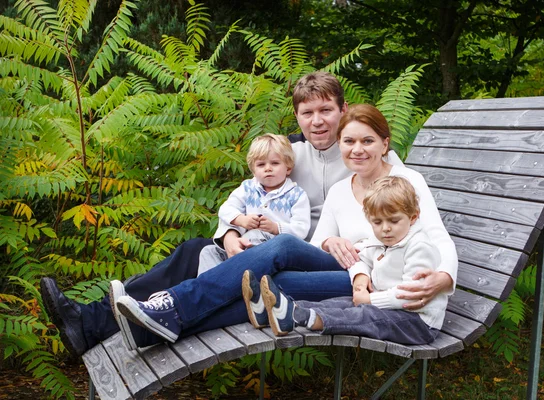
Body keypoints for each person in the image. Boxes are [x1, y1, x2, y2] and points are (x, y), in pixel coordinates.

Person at [40, 72, 454, 356]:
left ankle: (163, 312)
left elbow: (434, 237)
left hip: (351, 267)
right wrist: (229, 234)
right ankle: (93, 321)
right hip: (294, 250)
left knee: (268, 271)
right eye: (307, 114)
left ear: (344, 112)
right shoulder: (295, 154)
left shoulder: (387, 170)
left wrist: (443, 276)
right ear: (296, 117)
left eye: (327, 111)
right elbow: (257, 195)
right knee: (193, 250)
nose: (318, 122)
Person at [253, 175, 445, 345]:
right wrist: (360, 276)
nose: (385, 228)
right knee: (339, 302)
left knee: (364, 314)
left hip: (417, 322)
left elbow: (412, 295)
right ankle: (278, 312)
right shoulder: (381, 239)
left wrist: (369, 299)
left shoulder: (419, 247)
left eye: (394, 221)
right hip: (387, 307)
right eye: (377, 222)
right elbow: (361, 258)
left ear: (413, 217)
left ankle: (304, 318)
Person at [197, 133, 310, 273]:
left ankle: (242, 280)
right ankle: (208, 288)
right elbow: (226, 209)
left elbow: (302, 228)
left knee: (256, 235)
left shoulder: (296, 194)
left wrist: (276, 227)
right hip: (242, 245)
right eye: (261, 164)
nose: (268, 168)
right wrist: (241, 220)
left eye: (275, 163)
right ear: (254, 170)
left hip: (274, 248)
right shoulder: (247, 188)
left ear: (288, 168)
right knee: (208, 251)